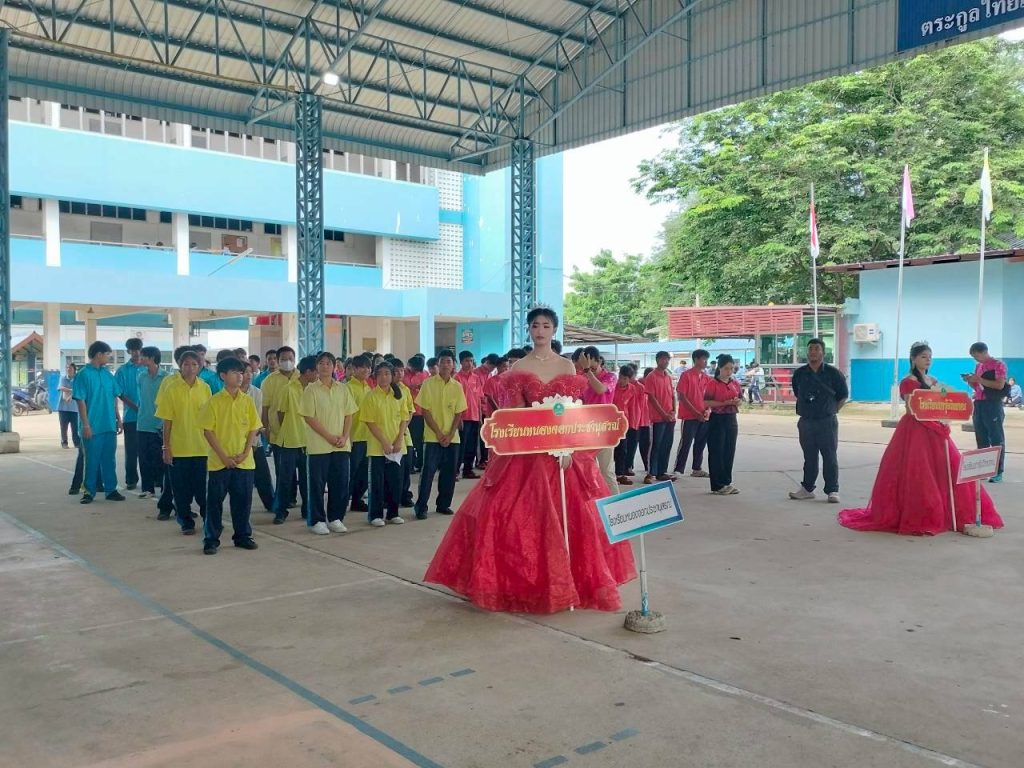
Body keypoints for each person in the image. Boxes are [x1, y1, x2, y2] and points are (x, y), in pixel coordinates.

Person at [424, 307, 636, 613]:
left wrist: (567, 449)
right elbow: (516, 413)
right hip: (527, 454)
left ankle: (568, 583)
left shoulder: (566, 365)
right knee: (510, 515)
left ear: (554, 330)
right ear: (529, 329)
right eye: (535, 325)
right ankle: (523, 584)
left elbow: (571, 411)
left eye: (546, 325)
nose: (540, 331)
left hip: (562, 453)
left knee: (574, 517)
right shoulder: (520, 366)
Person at [839, 343, 1003, 535]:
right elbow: (912, 409)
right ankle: (921, 514)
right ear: (914, 359)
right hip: (915, 431)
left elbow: (942, 403)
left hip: (935, 431)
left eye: (930, 356)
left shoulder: (933, 380)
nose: (928, 360)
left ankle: (950, 513)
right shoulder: (908, 381)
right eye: (924, 356)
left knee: (947, 470)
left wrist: (942, 418)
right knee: (918, 473)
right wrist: (933, 419)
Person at [198, 357, 261, 555]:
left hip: (244, 462)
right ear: (223, 376)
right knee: (214, 502)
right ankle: (211, 539)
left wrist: (245, 453)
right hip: (220, 462)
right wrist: (224, 457)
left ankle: (242, 536)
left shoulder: (247, 401)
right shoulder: (214, 402)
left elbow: (253, 428)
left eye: (241, 372)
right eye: (235, 372)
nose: (240, 376)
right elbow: (208, 431)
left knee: (243, 502)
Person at [302, 352, 358, 534]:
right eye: (321, 363)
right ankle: (316, 520)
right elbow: (309, 417)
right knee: (317, 485)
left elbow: (349, 415)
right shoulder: (311, 390)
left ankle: (335, 518)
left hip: (341, 445)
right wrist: (328, 436)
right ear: (317, 367)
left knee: (340, 483)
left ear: (334, 366)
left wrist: (344, 436)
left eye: (328, 363)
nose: (325, 366)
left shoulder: (343, 389)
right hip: (319, 446)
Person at [157, 349, 212, 534]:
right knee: (180, 490)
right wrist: (166, 447)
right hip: (178, 448)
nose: (190, 368)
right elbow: (167, 421)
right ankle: (186, 521)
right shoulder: (171, 388)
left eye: (194, 364)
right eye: (186, 364)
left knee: (202, 489)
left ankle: (209, 519)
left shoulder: (205, 388)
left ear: (200, 367)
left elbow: (210, 419)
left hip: (201, 447)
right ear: (180, 366)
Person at [789, 339, 848, 503]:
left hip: (826, 422)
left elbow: (843, 395)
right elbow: (797, 392)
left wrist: (832, 410)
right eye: (810, 349)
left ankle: (832, 490)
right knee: (809, 456)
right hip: (806, 421)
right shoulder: (800, 374)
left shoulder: (833, 373)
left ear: (823, 352)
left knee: (829, 456)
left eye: (817, 348)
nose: (813, 352)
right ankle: (807, 488)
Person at [414, 350, 466, 519]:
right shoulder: (428, 384)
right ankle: (421, 507)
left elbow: (458, 413)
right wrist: (438, 433)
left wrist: (450, 434)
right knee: (428, 473)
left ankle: (443, 505)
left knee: (449, 473)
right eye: (442, 361)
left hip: (452, 438)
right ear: (438, 364)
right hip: (432, 437)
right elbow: (425, 411)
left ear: (453, 365)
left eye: (448, 362)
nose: (445, 365)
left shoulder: (457, 386)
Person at [73, 341, 125, 504]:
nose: (109, 357)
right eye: (107, 354)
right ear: (99, 354)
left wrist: (118, 419)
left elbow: (114, 397)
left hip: (108, 424)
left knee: (109, 460)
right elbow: (80, 401)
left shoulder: (107, 374)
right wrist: (85, 425)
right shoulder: (83, 375)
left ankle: (111, 490)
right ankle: (89, 492)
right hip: (92, 426)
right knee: (91, 460)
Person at [362, 362, 411, 526]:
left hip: (397, 446)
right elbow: (370, 422)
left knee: (395, 481)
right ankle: (375, 515)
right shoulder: (371, 396)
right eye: (380, 374)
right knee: (377, 481)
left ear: (392, 376)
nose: (384, 377)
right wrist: (384, 442)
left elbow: (404, 418)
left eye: (387, 373)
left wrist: (399, 440)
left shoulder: (399, 395)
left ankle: (393, 513)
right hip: (377, 446)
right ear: (375, 377)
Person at [272, 355, 317, 524]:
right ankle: (280, 511)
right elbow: (281, 413)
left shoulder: (314, 389)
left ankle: (307, 509)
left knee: (307, 479)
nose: (318, 375)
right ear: (308, 372)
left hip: (309, 441)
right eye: (316, 371)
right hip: (290, 441)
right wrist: (289, 428)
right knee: (285, 479)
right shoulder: (288, 389)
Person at [136, 347, 174, 519]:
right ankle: (147, 488)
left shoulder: (166, 377)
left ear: (151, 358)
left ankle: (164, 490)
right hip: (143, 423)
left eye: (143, 356)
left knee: (162, 461)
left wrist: (162, 424)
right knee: (144, 458)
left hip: (159, 424)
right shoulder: (141, 376)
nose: (140, 359)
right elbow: (141, 399)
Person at [574, 346, 617, 495]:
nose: (585, 364)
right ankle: (593, 503)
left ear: (597, 360)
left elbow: (600, 389)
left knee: (606, 471)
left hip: (605, 429)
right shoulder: (582, 377)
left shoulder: (610, 377)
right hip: (586, 428)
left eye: (587, 360)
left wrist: (587, 372)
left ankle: (615, 504)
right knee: (586, 468)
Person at [964, 341, 1008, 482]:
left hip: (993, 404)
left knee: (996, 438)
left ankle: (998, 471)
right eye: (974, 357)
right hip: (979, 403)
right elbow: (978, 387)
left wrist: (979, 379)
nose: (976, 359)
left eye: (977, 356)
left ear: (984, 352)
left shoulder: (998, 365)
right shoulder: (978, 366)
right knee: (981, 437)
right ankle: (983, 469)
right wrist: (970, 380)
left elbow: (999, 385)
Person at [260, 346, 298, 506]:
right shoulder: (269, 381)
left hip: (299, 431)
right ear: (277, 360)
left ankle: (294, 496)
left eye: (290, 358)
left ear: (294, 359)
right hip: (278, 432)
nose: (287, 362)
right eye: (283, 359)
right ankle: (285, 499)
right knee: (282, 467)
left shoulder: (301, 376)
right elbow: (265, 407)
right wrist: (266, 428)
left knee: (300, 468)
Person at [705, 354, 743, 495]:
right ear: (720, 368)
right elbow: (706, 402)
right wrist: (724, 403)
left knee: (729, 450)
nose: (729, 371)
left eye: (732, 368)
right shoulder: (712, 383)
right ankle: (717, 484)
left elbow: (740, 398)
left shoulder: (735, 383)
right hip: (717, 418)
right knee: (717, 451)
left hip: (731, 417)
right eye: (726, 368)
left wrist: (737, 402)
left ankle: (727, 481)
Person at [240, 364, 275, 514]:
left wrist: (255, 433)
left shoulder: (256, 392)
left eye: (250, 372)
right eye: (244, 372)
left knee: (263, 475)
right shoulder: (230, 393)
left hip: (254, 440)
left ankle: (271, 503)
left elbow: (258, 416)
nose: (248, 375)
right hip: (236, 442)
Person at [673, 349, 712, 478]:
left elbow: (709, 397)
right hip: (689, 416)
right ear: (696, 359)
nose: (706, 362)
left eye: (706, 359)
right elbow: (682, 396)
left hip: (704, 415)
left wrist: (707, 410)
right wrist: (696, 413)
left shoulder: (706, 377)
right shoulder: (686, 375)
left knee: (700, 443)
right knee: (686, 442)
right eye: (703, 359)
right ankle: (678, 469)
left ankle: (697, 468)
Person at [115, 337, 145, 490]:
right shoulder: (122, 371)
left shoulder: (148, 367)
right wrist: (135, 407)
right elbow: (119, 392)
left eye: (138, 349)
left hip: (149, 418)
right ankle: (131, 479)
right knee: (131, 450)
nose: (136, 352)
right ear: (128, 351)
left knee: (148, 450)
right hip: (131, 417)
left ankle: (154, 479)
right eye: (133, 350)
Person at [346, 355, 374, 512]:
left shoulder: (368, 388)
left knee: (363, 473)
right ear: (354, 369)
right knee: (350, 472)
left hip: (368, 437)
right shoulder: (348, 388)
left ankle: (357, 500)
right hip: (353, 437)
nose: (366, 370)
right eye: (362, 367)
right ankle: (343, 501)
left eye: (368, 367)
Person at [645, 351, 677, 482]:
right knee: (656, 445)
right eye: (663, 359)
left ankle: (662, 472)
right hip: (657, 418)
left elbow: (672, 395)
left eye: (667, 359)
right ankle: (651, 473)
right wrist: (664, 414)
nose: (666, 362)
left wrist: (673, 411)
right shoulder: (651, 376)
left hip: (670, 417)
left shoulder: (668, 376)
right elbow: (652, 398)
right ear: (657, 360)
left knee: (666, 445)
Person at [391, 359, 416, 507]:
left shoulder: (405, 389)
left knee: (406, 468)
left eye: (401, 370)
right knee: (392, 470)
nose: (400, 374)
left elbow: (410, 411)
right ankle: (390, 498)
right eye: (396, 371)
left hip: (405, 436)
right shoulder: (385, 390)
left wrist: (404, 427)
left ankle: (405, 495)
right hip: (390, 435)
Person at [454, 351, 483, 479]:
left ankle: (468, 470)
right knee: (461, 445)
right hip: (463, 417)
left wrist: (480, 417)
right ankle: (455, 471)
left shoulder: (476, 378)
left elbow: (478, 399)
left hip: (475, 416)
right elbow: (455, 400)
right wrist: (458, 418)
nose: (469, 363)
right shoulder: (456, 378)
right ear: (461, 362)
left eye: (471, 361)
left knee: (472, 445)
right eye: (466, 361)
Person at [613, 364, 640, 485]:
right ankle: (610, 473)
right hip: (611, 422)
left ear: (630, 379)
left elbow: (633, 407)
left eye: (625, 378)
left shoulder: (632, 389)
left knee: (623, 449)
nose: (621, 380)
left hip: (625, 423)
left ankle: (620, 474)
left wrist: (633, 424)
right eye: (620, 377)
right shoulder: (612, 386)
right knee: (611, 449)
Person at [404, 354, 430, 473]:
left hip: (419, 411)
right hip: (406, 411)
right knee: (407, 440)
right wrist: (411, 387)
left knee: (419, 440)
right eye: (414, 369)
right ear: (409, 365)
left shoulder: (425, 374)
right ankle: (409, 464)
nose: (416, 372)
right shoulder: (403, 374)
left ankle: (419, 464)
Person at [634, 367, 653, 480]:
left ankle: (647, 466)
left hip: (646, 420)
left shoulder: (646, 386)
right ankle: (629, 467)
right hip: (638, 420)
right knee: (635, 445)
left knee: (645, 445)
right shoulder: (639, 386)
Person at [58, 361, 79, 449]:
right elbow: (60, 387)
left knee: (75, 427)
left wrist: (70, 392)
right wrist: (72, 390)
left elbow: (79, 389)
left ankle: (77, 443)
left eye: (70, 368)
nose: (68, 369)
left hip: (75, 408)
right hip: (63, 407)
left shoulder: (78, 379)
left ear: (74, 369)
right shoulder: (63, 378)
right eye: (67, 368)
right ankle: (64, 442)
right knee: (63, 427)